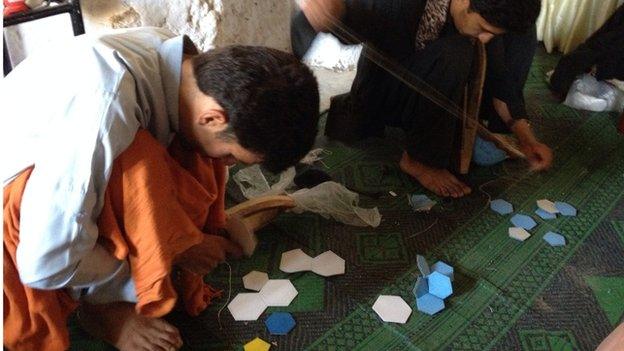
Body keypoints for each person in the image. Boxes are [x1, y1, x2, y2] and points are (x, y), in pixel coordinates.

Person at [2, 27, 320, 351]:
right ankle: (104, 308)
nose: (228, 166)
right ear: (212, 117)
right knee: (143, 161)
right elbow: (45, 264)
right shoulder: (104, 117)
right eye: (232, 156)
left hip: (66, 183)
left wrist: (209, 226)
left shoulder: (182, 68)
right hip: (20, 223)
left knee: (193, 152)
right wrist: (170, 253)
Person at [292, 0, 553, 198]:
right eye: (484, 29)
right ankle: (418, 160)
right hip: (385, 92)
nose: (485, 38)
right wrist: (327, 13)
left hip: (434, 93)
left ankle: (445, 139)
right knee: (458, 50)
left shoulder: (485, 15)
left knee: (510, 40)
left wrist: (525, 138)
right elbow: (347, 18)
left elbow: (500, 80)